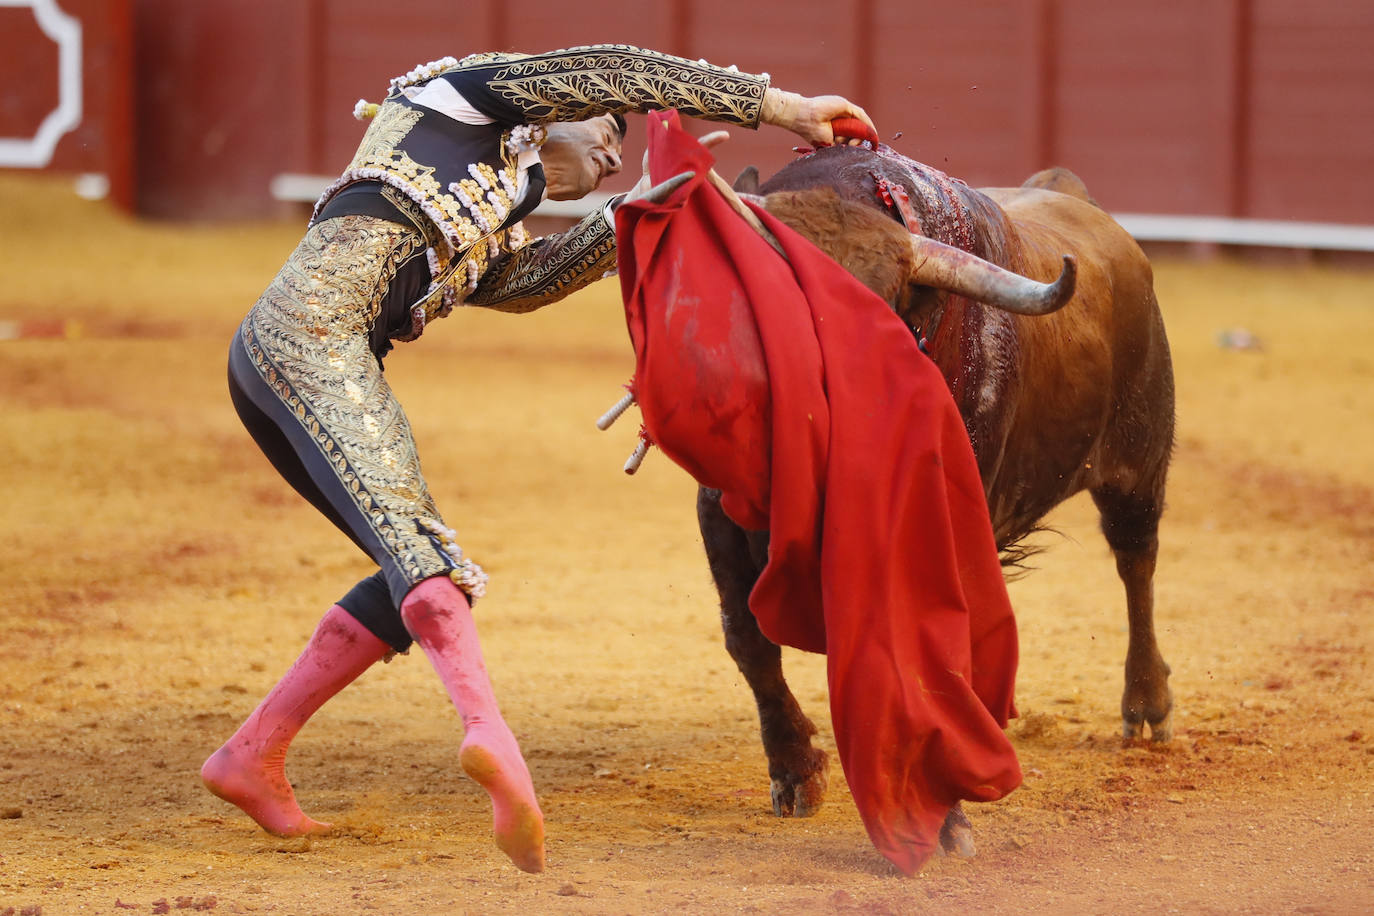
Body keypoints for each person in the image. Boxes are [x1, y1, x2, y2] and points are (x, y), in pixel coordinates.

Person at [201, 43, 875, 874]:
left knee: (404, 565)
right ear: (553, 110)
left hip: (303, 362)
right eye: (605, 133)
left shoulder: (488, 217)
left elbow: (527, 282)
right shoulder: (459, 101)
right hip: (305, 344)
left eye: (622, 154)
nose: (611, 152)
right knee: (429, 565)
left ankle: (252, 755)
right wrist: (778, 105)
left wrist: (643, 203)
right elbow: (615, 67)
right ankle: (491, 738)